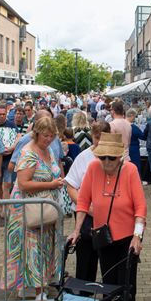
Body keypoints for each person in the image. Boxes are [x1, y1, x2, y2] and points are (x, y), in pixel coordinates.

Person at [68, 132, 147, 301]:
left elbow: (141, 207)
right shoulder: (93, 168)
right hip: (103, 237)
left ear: (119, 157)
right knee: (108, 284)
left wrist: (137, 236)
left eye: (111, 158)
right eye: (102, 157)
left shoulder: (130, 170)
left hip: (127, 238)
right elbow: (82, 202)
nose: (106, 162)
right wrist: (77, 230)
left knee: (127, 286)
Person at [0, 117, 64, 301]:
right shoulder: (28, 153)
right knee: (31, 248)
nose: (49, 139)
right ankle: (37, 291)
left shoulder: (49, 149)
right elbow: (23, 183)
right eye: (45, 136)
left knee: (44, 246)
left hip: (45, 206)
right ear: (36, 134)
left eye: (51, 136)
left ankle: (35, 285)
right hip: (28, 208)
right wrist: (51, 184)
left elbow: (54, 169)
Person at [64, 121, 111, 284]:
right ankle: (83, 299)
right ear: (93, 136)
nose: (100, 142)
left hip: (109, 217)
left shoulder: (117, 158)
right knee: (85, 262)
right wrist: (85, 206)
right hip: (86, 218)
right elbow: (70, 185)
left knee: (109, 263)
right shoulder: (84, 157)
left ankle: (110, 300)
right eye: (97, 137)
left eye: (104, 138)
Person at [0, 104, 21, 204]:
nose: (2, 116)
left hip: (9, 159)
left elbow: (18, 137)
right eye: (0, 114)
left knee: (7, 184)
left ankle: (5, 208)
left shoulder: (12, 125)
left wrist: (12, 148)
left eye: (4, 114)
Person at [126, 108, 143, 176]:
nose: (134, 119)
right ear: (131, 115)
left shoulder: (122, 125)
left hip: (124, 148)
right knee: (135, 166)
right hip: (133, 149)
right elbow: (142, 136)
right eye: (134, 117)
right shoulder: (133, 127)